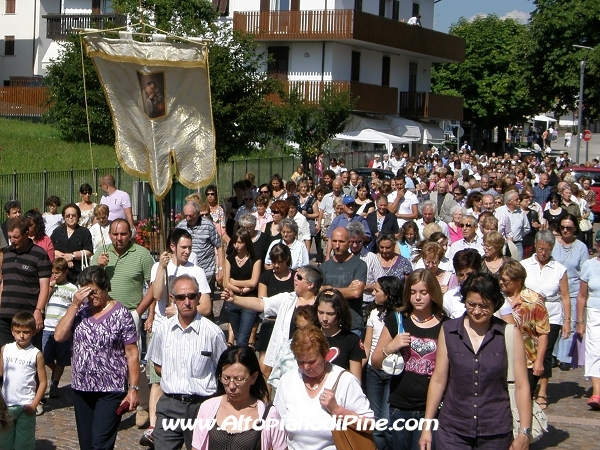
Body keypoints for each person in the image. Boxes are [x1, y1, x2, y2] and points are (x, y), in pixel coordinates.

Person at [419, 273, 532, 450]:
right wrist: (427, 427)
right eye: (472, 304)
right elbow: (439, 379)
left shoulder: (509, 334)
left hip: (495, 431)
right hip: (453, 430)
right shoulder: (449, 330)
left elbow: (522, 385)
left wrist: (525, 432)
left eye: (484, 306)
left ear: (495, 304)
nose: (477, 311)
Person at [54, 266, 139, 450]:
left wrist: (133, 389)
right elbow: (59, 336)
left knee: (100, 444)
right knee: (86, 444)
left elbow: (132, 353)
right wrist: (75, 305)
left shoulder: (122, 314)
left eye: (94, 291)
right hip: (81, 388)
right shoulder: (80, 310)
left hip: (111, 389)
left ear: (105, 287)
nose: (91, 297)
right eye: (86, 292)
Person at [141, 229, 213, 447]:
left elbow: (207, 306)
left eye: (190, 247)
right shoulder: (159, 266)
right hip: (165, 329)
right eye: (183, 247)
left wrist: (184, 309)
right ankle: (155, 426)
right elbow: (157, 295)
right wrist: (162, 268)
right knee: (158, 379)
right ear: (172, 246)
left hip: (190, 330)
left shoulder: (197, 271)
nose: (188, 251)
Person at [147, 274, 227, 450]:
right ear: (173, 299)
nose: (187, 302)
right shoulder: (163, 331)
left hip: (202, 407)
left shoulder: (213, 333)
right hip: (170, 406)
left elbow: (224, 372)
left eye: (191, 296)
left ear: (198, 298)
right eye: (181, 297)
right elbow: (158, 366)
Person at [371, 269, 445, 450]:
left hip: (430, 407)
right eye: (412, 293)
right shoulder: (397, 320)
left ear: (433, 294)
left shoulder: (445, 324)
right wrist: (390, 347)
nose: (417, 297)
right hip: (400, 404)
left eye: (423, 293)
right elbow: (375, 361)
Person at [274, 325, 374, 450]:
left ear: (325, 355)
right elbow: (277, 428)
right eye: (300, 361)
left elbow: (369, 426)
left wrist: (337, 410)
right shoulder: (287, 381)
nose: (306, 367)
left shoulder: (345, 380)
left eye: (311, 361)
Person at [221, 265, 323, 386]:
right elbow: (261, 303)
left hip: (309, 357)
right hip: (285, 355)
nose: (295, 278)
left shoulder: (321, 305)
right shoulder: (287, 298)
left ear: (310, 285)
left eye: (299, 277)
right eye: (295, 274)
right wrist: (234, 299)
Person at [191, 346, 287, 450]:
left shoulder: (270, 415)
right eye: (226, 378)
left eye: (239, 379)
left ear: (253, 377)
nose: (231, 386)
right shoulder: (207, 408)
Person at [520, 230, 571, 410]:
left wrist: (567, 320)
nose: (543, 253)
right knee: (529, 351)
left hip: (552, 314)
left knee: (546, 352)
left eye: (547, 250)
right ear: (535, 246)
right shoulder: (525, 265)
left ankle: (542, 389)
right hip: (528, 316)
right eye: (541, 249)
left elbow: (565, 296)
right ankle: (529, 385)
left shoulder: (559, 269)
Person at [498, 260, 550, 397]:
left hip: (527, 361)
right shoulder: (497, 299)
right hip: (501, 360)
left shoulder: (534, 300)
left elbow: (543, 333)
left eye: (505, 280)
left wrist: (539, 361)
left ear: (518, 281)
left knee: (523, 399)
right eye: (500, 278)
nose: (501, 282)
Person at [0, 217, 51, 350]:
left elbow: (44, 286)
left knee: (29, 360)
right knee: (3, 357)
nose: (12, 240)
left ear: (26, 234)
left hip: (28, 317)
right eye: (10, 237)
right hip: (5, 316)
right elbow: (4, 283)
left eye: (16, 237)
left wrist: (38, 311)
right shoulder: (6, 253)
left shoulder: (39, 254)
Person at [364, 276, 403, 450]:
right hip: (373, 372)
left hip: (393, 371)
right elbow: (367, 344)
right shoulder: (373, 313)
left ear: (388, 294)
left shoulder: (401, 315)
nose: (373, 293)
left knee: (387, 425)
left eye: (377, 290)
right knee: (376, 426)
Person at [0, 312, 47, 450]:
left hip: (25, 406)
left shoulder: (36, 354)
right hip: (6, 406)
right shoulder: (5, 349)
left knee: (23, 444)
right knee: (4, 442)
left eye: (26, 332)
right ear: (12, 331)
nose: (21, 335)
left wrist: (34, 404)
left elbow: (43, 382)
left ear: (33, 332)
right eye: (18, 331)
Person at [554, 214, 588, 370]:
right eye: (562, 227)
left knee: (571, 322)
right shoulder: (553, 244)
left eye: (569, 227)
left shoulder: (581, 247)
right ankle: (553, 354)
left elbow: (584, 271)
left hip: (573, 290)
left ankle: (565, 356)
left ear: (575, 228)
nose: (565, 230)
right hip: (554, 291)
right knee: (554, 323)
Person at [320, 227, 368, 334]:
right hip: (330, 325)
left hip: (352, 325)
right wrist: (347, 289)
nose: (337, 246)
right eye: (334, 241)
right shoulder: (324, 267)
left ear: (349, 242)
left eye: (341, 242)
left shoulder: (359, 265)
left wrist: (329, 289)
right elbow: (319, 292)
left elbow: (356, 293)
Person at [43, 258, 77, 399]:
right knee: (45, 356)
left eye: (57, 273)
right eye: (53, 273)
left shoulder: (72, 288)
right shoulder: (50, 286)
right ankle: (55, 372)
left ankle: (54, 384)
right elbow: (43, 304)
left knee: (62, 359)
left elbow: (75, 307)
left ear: (65, 272)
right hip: (48, 326)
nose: (55, 276)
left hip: (62, 329)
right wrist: (48, 292)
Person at [314, 289, 365, 382]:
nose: (324, 318)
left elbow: (356, 381)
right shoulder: (309, 336)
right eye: (320, 312)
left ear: (339, 313)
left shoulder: (352, 340)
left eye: (330, 314)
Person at [223, 229, 261, 347]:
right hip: (232, 302)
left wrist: (236, 283)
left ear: (247, 243)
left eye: (240, 242)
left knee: (242, 339)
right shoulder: (229, 259)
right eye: (235, 242)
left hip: (249, 302)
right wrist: (240, 289)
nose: (237, 245)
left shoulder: (255, 259)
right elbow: (226, 282)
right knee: (238, 335)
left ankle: (242, 361)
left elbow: (253, 282)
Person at [576, 230, 600, 409]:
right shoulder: (589, 266)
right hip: (594, 312)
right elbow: (582, 296)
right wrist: (579, 321)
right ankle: (596, 392)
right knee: (594, 350)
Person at [176, 200, 221, 286]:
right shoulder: (180, 227)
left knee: (206, 299)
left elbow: (219, 246)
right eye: (186, 216)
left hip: (206, 272)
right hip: (187, 273)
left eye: (191, 215)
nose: (188, 218)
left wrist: (220, 268)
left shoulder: (208, 225)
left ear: (198, 213)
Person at [51, 203, 93, 284]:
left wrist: (72, 256)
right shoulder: (57, 231)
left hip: (78, 275)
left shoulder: (84, 232)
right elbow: (51, 250)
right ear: (64, 217)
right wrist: (64, 259)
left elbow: (89, 252)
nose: (70, 217)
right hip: (59, 276)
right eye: (68, 215)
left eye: (73, 215)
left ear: (78, 216)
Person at [325, 195, 370, 259]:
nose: (351, 207)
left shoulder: (361, 220)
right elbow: (330, 238)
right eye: (348, 205)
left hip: (357, 254)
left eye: (353, 205)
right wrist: (327, 255)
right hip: (340, 254)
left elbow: (368, 238)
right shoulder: (337, 220)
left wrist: (360, 235)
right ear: (343, 206)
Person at [443, 249, 482, 319]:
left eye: (469, 274)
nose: (465, 278)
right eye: (461, 275)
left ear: (478, 271)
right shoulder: (449, 297)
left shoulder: (490, 294)